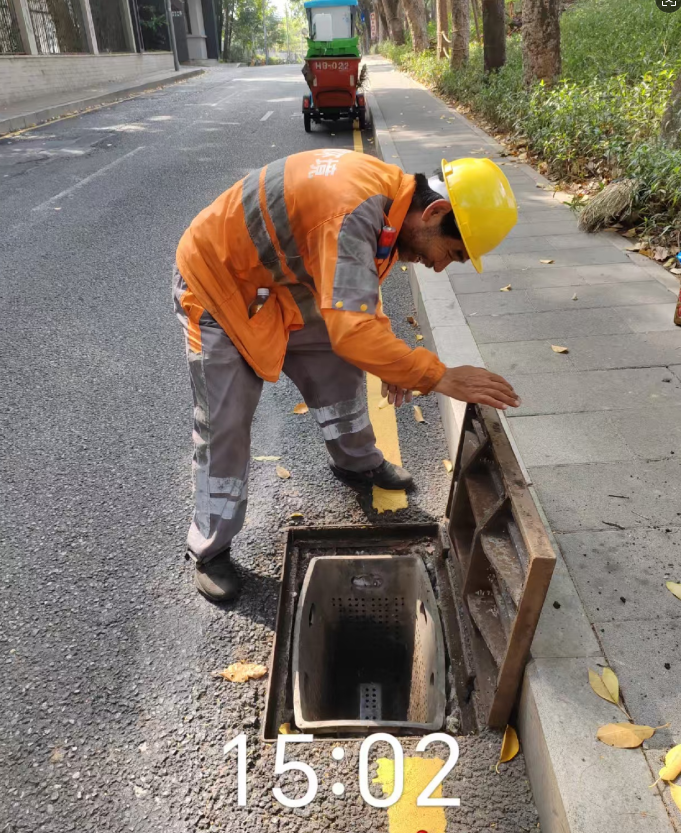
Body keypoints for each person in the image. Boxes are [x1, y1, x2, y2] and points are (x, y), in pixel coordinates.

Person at [174, 149, 520, 602]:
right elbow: (352, 330)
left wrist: (391, 357)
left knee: (338, 369)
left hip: (282, 281)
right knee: (225, 422)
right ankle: (210, 547)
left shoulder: (391, 205)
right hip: (219, 283)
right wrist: (437, 376)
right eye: (450, 253)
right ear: (435, 212)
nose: (438, 266)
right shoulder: (354, 210)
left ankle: (356, 462)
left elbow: (357, 295)